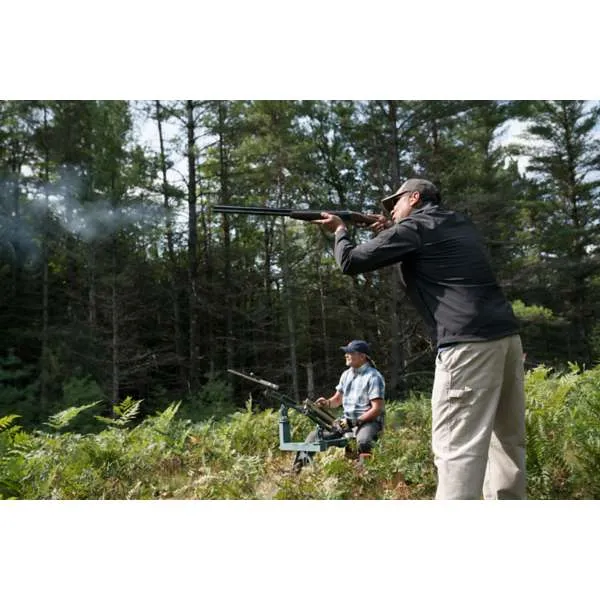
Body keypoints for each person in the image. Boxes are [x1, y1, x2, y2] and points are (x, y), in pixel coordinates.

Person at [312, 178, 526, 500]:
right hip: (507, 340)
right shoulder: (459, 222)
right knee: (507, 443)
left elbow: (350, 262)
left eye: (395, 204)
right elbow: (427, 248)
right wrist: (391, 229)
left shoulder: (412, 229)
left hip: (466, 347)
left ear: (414, 198)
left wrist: (341, 230)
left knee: (457, 450)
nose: (392, 211)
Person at [292, 340, 385, 473]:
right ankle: (295, 473)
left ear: (362, 356)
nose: (346, 355)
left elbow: (377, 409)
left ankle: (364, 476)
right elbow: (337, 399)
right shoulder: (346, 375)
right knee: (313, 437)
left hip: (368, 422)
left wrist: (354, 422)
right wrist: (327, 403)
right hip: (346, 421)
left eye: (350, 352)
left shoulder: (374, 377)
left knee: (363, 442)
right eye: (346, 352)